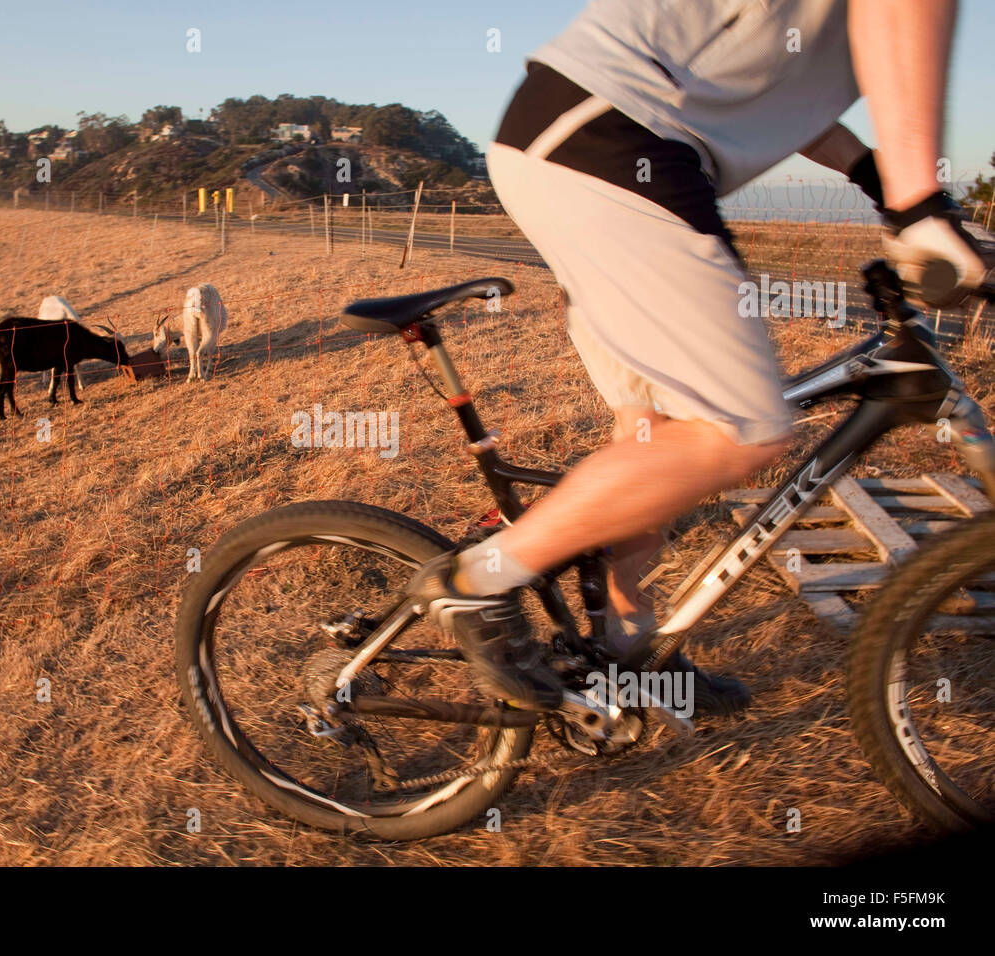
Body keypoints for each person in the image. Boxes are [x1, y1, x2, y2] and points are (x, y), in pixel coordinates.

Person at [408, 0, 990, 714]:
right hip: (612, 139)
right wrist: (915, 206)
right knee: (739, 430)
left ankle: (626, 644)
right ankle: (477, 583)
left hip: (588, 137)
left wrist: (871, 173)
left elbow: (778, 89)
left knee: (656, 439)